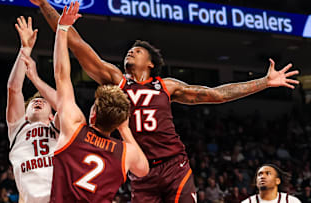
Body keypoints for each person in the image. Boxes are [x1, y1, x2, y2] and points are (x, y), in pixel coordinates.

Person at [29, 1, 300, 202]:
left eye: (138, 51)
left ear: (151, 62)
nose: (130, 52)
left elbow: (216, 94)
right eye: (129, 50)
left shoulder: (167, 86)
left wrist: (264, 82)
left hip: (173, 165)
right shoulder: (115, 79)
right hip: (140, 170)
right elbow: (76, 43)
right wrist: (43, 4)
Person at [21, 3, 149, 202]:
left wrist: (62, 28)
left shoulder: (73, 128)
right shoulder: (126, 153)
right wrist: (124, 129)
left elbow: (61, 75)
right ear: (119, 122)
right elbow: (143, 169)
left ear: (93, 113)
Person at [6, 16, 59, 203]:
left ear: (52, 116)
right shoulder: (19, 129)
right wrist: (25, 50)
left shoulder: (59, 128)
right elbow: (14, 90)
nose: (38, 101)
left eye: (43, 101)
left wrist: (36, 79)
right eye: (33, 103)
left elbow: (64, 104)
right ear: (25, 115)